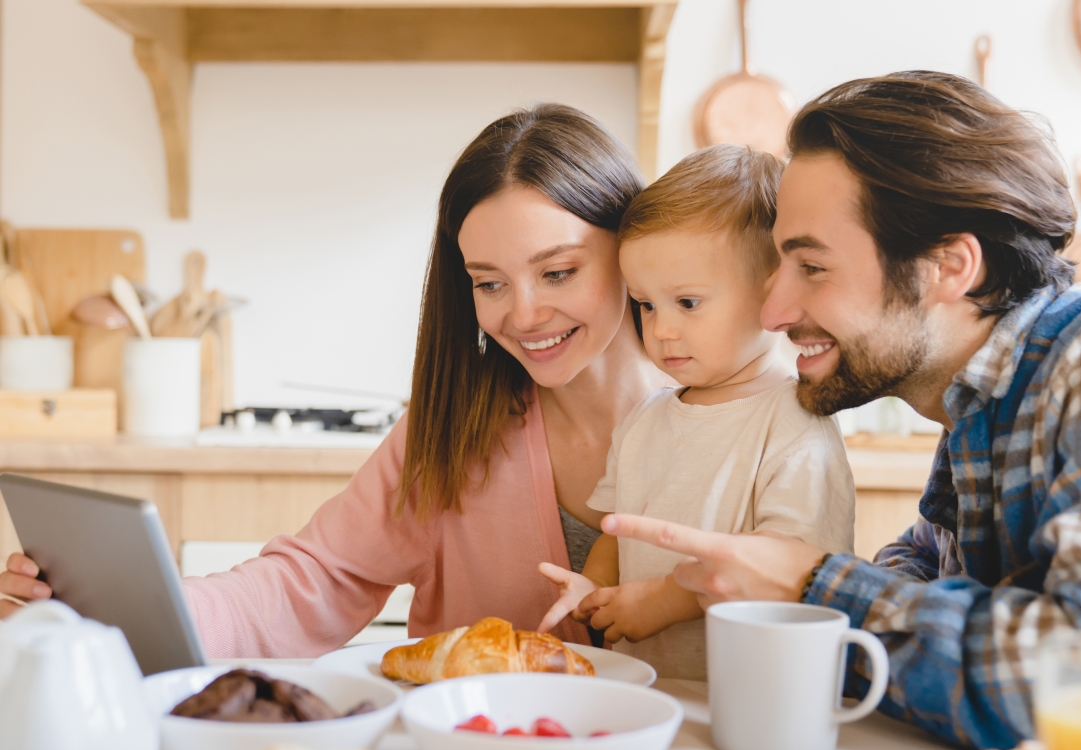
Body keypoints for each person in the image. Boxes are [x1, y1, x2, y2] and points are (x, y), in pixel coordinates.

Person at [600, 71, 1081, 750]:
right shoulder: (972, 414)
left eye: (812, 268)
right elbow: (914, 577)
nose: (773, 311)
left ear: (948, 266)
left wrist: (810, 584)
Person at [0, 104, 670, 655]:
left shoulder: (736, 415)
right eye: (489, 283)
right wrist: (121, 611)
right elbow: (317, 576)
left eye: (558, 273)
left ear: (631, 246)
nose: (522, 314)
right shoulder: (455, 427)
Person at [536, 145, 855, 680]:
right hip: (654, 692)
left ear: (772, 290)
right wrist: (596, 587)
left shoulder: (797, 421)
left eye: (687, 303)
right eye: (646, 304)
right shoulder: (644, 421)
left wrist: (663, 599)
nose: (660, 330)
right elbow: (619, 534)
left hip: (752, 698)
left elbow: (791, 565)